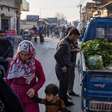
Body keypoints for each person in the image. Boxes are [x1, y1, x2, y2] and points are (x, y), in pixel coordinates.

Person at [7, 40, 45, 112]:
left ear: (31, 54)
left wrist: (34, 89)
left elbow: (42, 79)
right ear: (18, 52)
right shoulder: (13, 64)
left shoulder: (36, 64)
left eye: (27, 54)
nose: (24, 57)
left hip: (30, 96)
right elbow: (8, 80)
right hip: (15, 96)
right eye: (22, 54)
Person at [54, 27, 80, 106]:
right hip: (62, 69)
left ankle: (64, 102)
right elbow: (56, 55)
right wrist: (63, 66)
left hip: (65, 68)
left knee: (64, 87)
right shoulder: (64, 43)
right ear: (72, 35)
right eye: (76, 37)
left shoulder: (67, 42)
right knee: (62, 88)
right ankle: (62, 104)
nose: (76, 39)